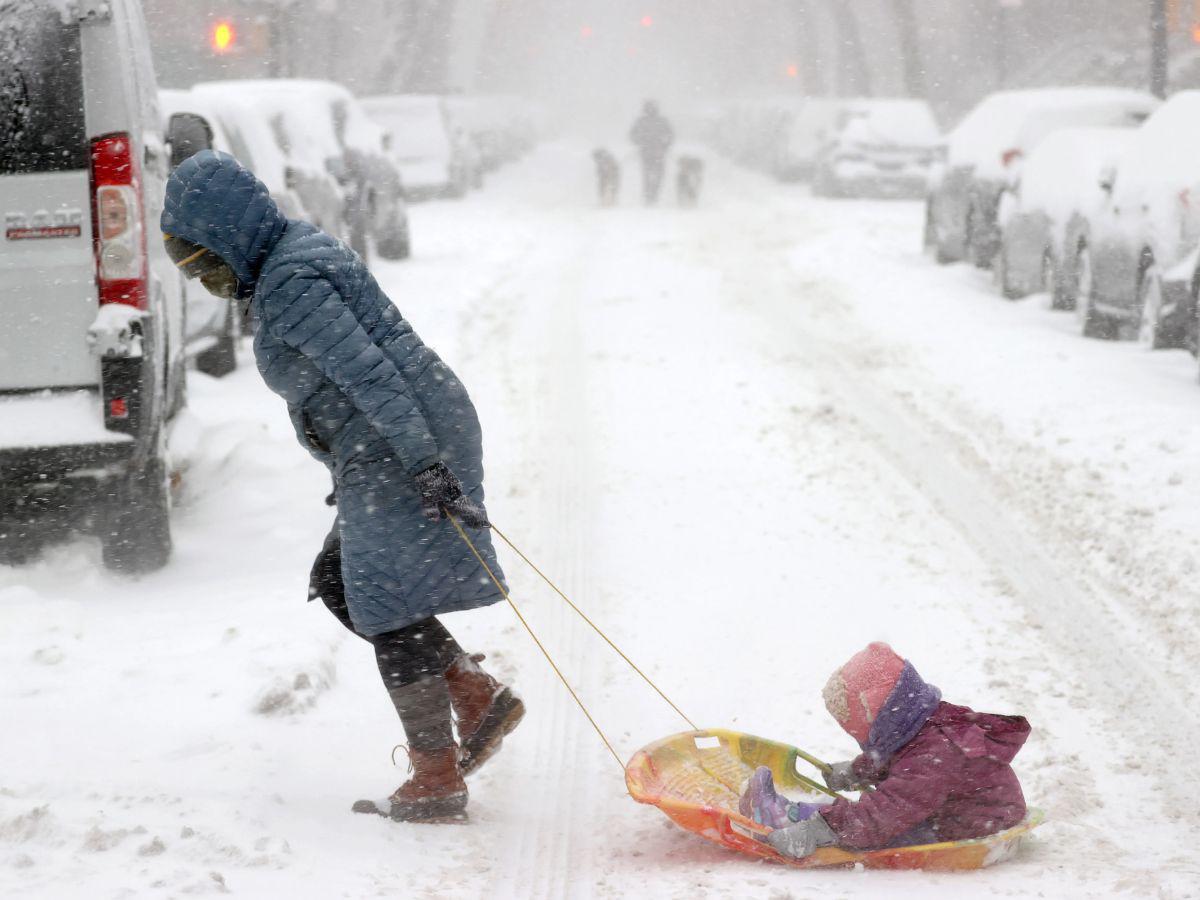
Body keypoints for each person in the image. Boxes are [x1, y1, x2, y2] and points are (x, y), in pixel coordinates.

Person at [161, 150, 524, 824]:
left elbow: (374, 378)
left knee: (383, 600)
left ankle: (436, 775)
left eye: (205, 259)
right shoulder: (282, 262)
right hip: (383, 444)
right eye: (191, 270)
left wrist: (423, 464)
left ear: (230, 232)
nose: (205, 279)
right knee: (339, 578)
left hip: (404, 440)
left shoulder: (292, 282)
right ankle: (473, 694)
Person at [740, 642, 1029, 859]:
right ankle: (798, 814)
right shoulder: (925, 722)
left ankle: (787, 817)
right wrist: (859, 770)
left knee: (877, 826)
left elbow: (886, 812)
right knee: (881, 813)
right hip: (959, 811)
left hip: (973, 828)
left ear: (880, 719)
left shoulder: (935, 755)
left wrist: (822, 830)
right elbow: (903, 756)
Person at [629, 100, 674, 205]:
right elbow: (633, 135)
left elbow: (670, 135)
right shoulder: (660, 121)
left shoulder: (643, 121)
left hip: (652, 152)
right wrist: (665, 145)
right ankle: (651, 195)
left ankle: (650, 196)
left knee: (650, 175)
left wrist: (639, 142)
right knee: (654, 175)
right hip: (654, 152)